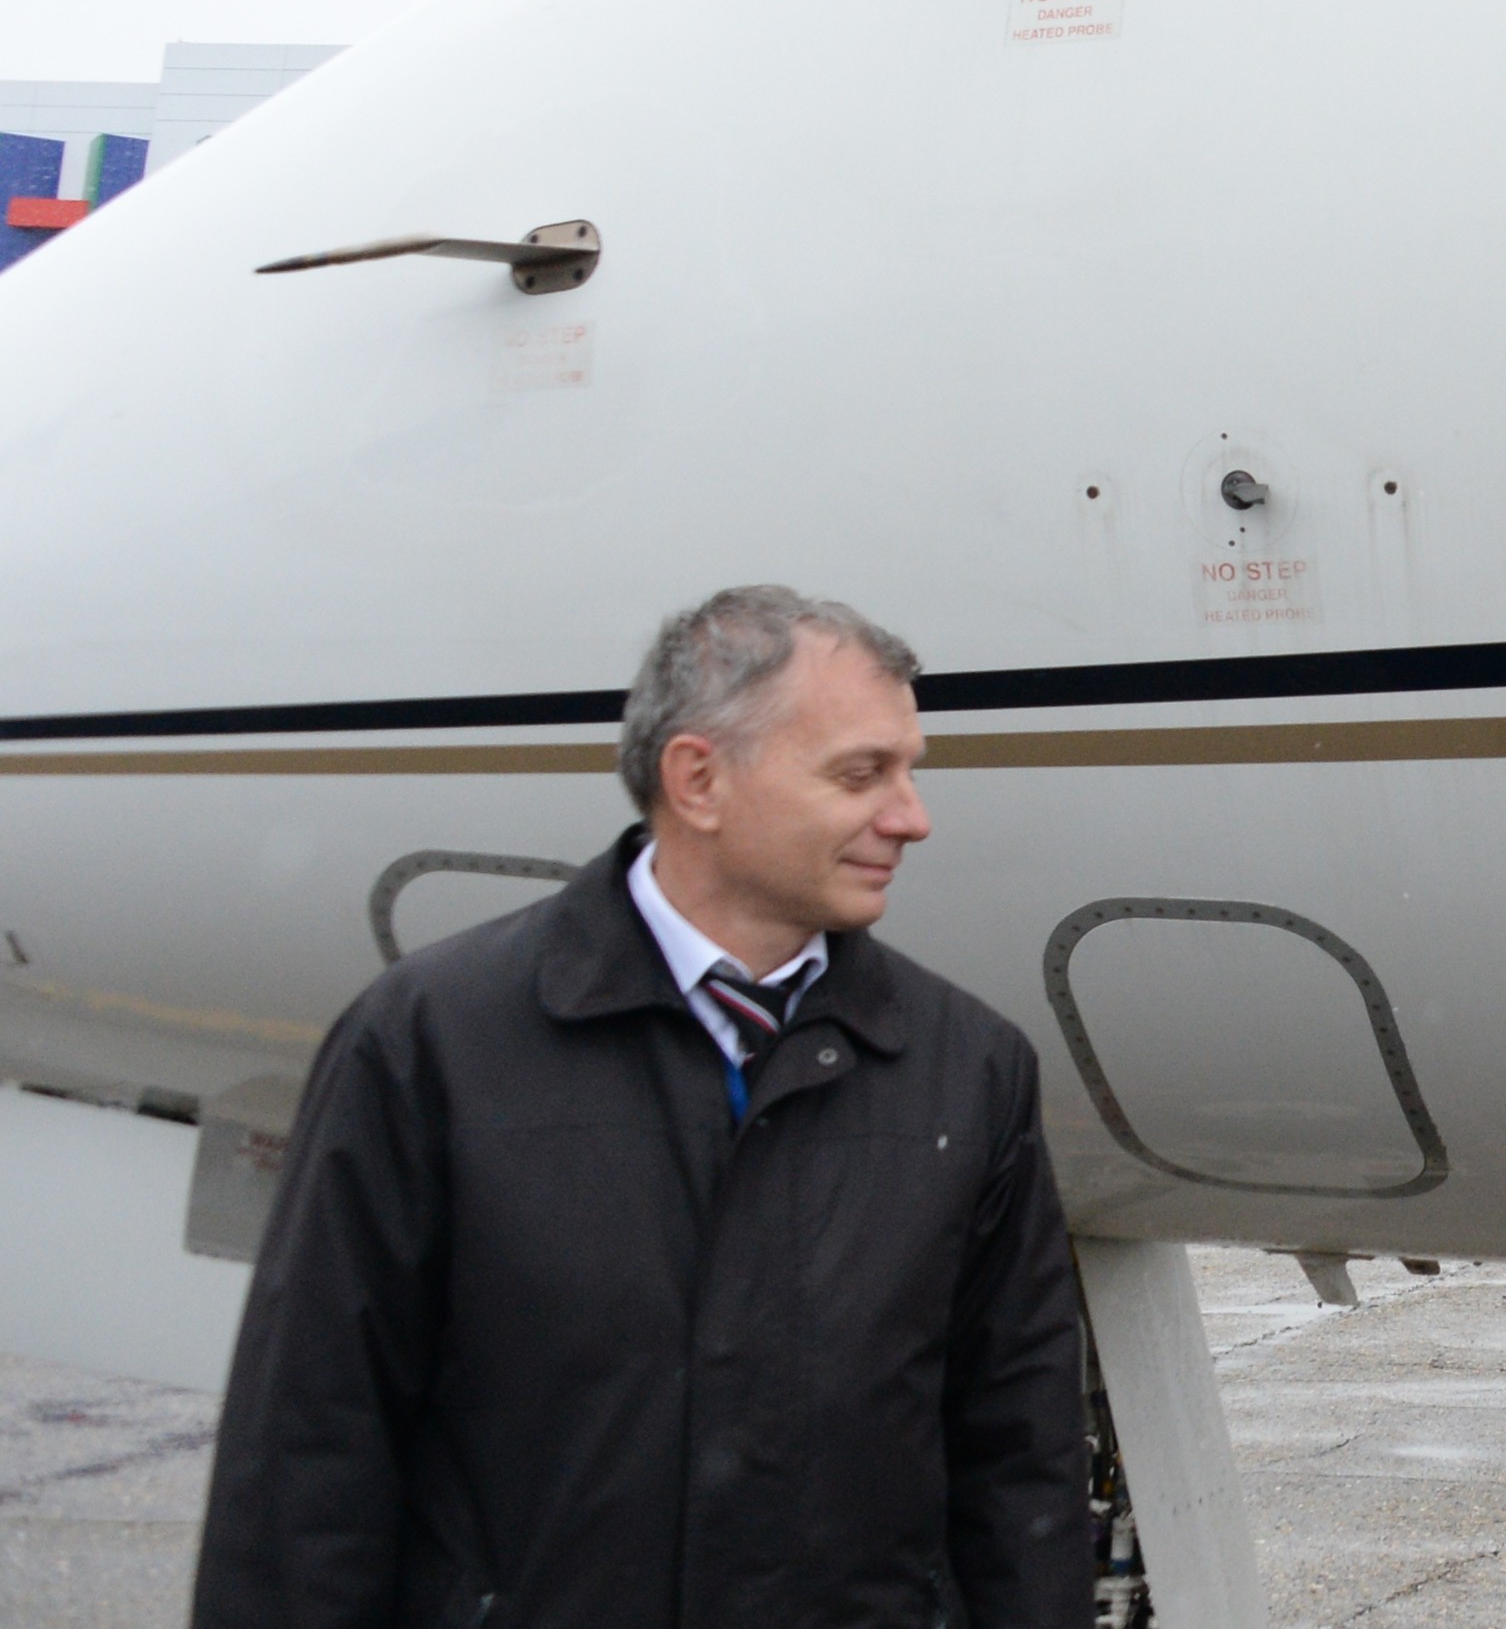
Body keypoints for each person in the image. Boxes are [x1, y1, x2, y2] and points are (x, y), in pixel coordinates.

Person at [191, 587, 1091, 1629]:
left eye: (909, 772)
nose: (911, 817)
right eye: (861, 774)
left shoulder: (968, 1070)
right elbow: (307, 1447)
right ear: (699, 779)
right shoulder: (427, 1045)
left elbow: (1019, 1463)